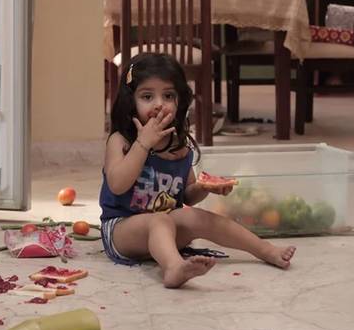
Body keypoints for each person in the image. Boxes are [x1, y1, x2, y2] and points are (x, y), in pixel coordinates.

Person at [99, 53, 296, 288]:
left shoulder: (179, 145)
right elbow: (117, 184)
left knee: (197, 216)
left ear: (179, 101)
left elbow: (186, 197)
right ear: (131, 101)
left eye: (168, 95)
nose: (159, 104)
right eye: (147, 96)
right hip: (122, 230)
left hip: (166, 229)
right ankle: (173, 268)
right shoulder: (121, 140)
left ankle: (264, 249)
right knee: (159, 221)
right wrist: (143, 144)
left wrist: (203, 188)